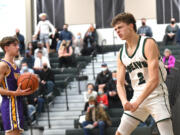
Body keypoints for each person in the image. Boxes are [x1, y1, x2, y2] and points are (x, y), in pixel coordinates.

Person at [111, 13, 174, 135]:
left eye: (120, 27)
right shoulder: (121, 53)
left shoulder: (148, 43)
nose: (117, 31)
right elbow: (119, 83)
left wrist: (136, 103)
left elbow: (154, 80)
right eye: (115, 29)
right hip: (137, 96)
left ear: (130, 26)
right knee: (120, 133)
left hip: (157, 94)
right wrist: (124, 101)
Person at [0, 36, 33, 135]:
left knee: (17, 133)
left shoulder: (15, 65)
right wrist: (14, 93)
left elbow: (16, 86)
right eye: (15, 45)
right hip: (10, 103)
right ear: (6, 48)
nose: (18, 47)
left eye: (18, 45)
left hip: (18, 103)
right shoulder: (3, 65)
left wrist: (27, 88)